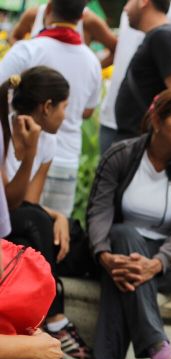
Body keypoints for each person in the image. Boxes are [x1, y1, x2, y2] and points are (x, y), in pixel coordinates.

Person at [76, 90, 171, 359]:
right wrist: (103, 254)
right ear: (157, 120)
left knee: (124, 268)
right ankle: (157, 347)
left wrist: (156, 263)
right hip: (116, 252)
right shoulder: (121, 156)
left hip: (167, 263)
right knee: (123, 238)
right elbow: (98, 211)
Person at [0, 66, 93, 359]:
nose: (65, 116)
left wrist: (60, 217)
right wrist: (29, 153)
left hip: (17, 221)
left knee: (68, 234)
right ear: (47, 106)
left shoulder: (49, 142)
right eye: (64, 107)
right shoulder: (1, 130)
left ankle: (43, 316)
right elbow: (9, 203)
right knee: (39, 222)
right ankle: (54, 317)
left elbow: (29, 202)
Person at [0, 0, 101, 218]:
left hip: (43, 153)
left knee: (38, 225)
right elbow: (88, 111)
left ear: (47, 10)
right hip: (66, 160)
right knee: (48, 234)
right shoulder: (92, 61)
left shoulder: (27, 50)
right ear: (82, 17)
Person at [99, 0, 171, 154]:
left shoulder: (164, 37)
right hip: (131, 142)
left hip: (140, 147)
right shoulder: (156, 36)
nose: (125, 7)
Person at [10, 1, 117, 68]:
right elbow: (14, 36)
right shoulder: (33, 14)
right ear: (49, 8)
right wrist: (23, 59)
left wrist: (92, 69)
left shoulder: (90, 20)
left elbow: (116, 48)